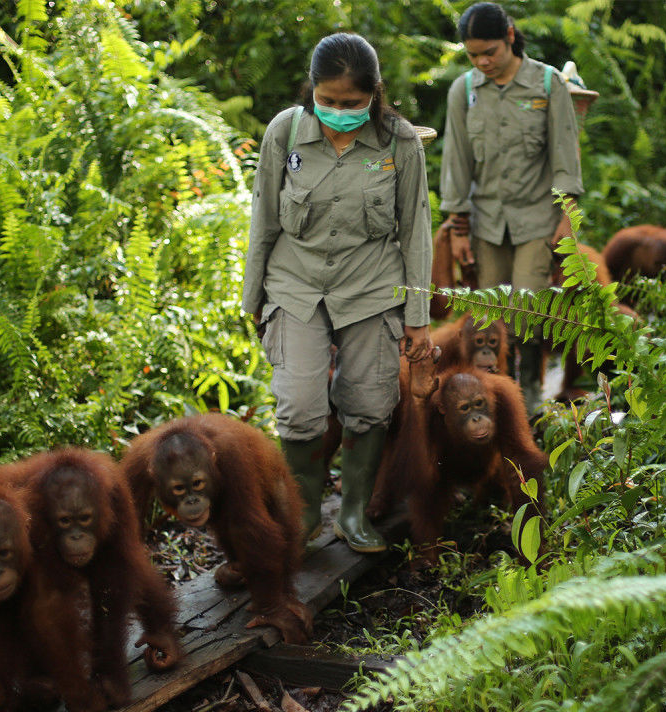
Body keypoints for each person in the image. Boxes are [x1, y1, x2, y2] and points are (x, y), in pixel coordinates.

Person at [241, 32, 433, 553]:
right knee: (299, 405)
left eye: (352, 104)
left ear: (374, 93)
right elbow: (262, 218)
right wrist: (251, 300)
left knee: (370, 402)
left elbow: (416, 229)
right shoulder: (285, 132)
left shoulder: (399, 142)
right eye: (327, 101)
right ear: (311, 90)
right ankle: (303, 514)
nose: (338, 112)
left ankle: (353, 513)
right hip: (295, 283)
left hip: (371, 284)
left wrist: (417, 316)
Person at [439, 2, 584, 417]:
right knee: (489, 318)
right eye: (473, 55)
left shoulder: (547, 83)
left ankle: (533, 395)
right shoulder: (463, 90)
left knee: (529, 311)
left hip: (536, 218)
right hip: (485, 223)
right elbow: (457, 162)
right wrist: (458, 226)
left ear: (509, 36)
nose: (482, 62)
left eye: (490, 52)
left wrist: (566, 218)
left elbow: (564, 155)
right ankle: (498, 395)